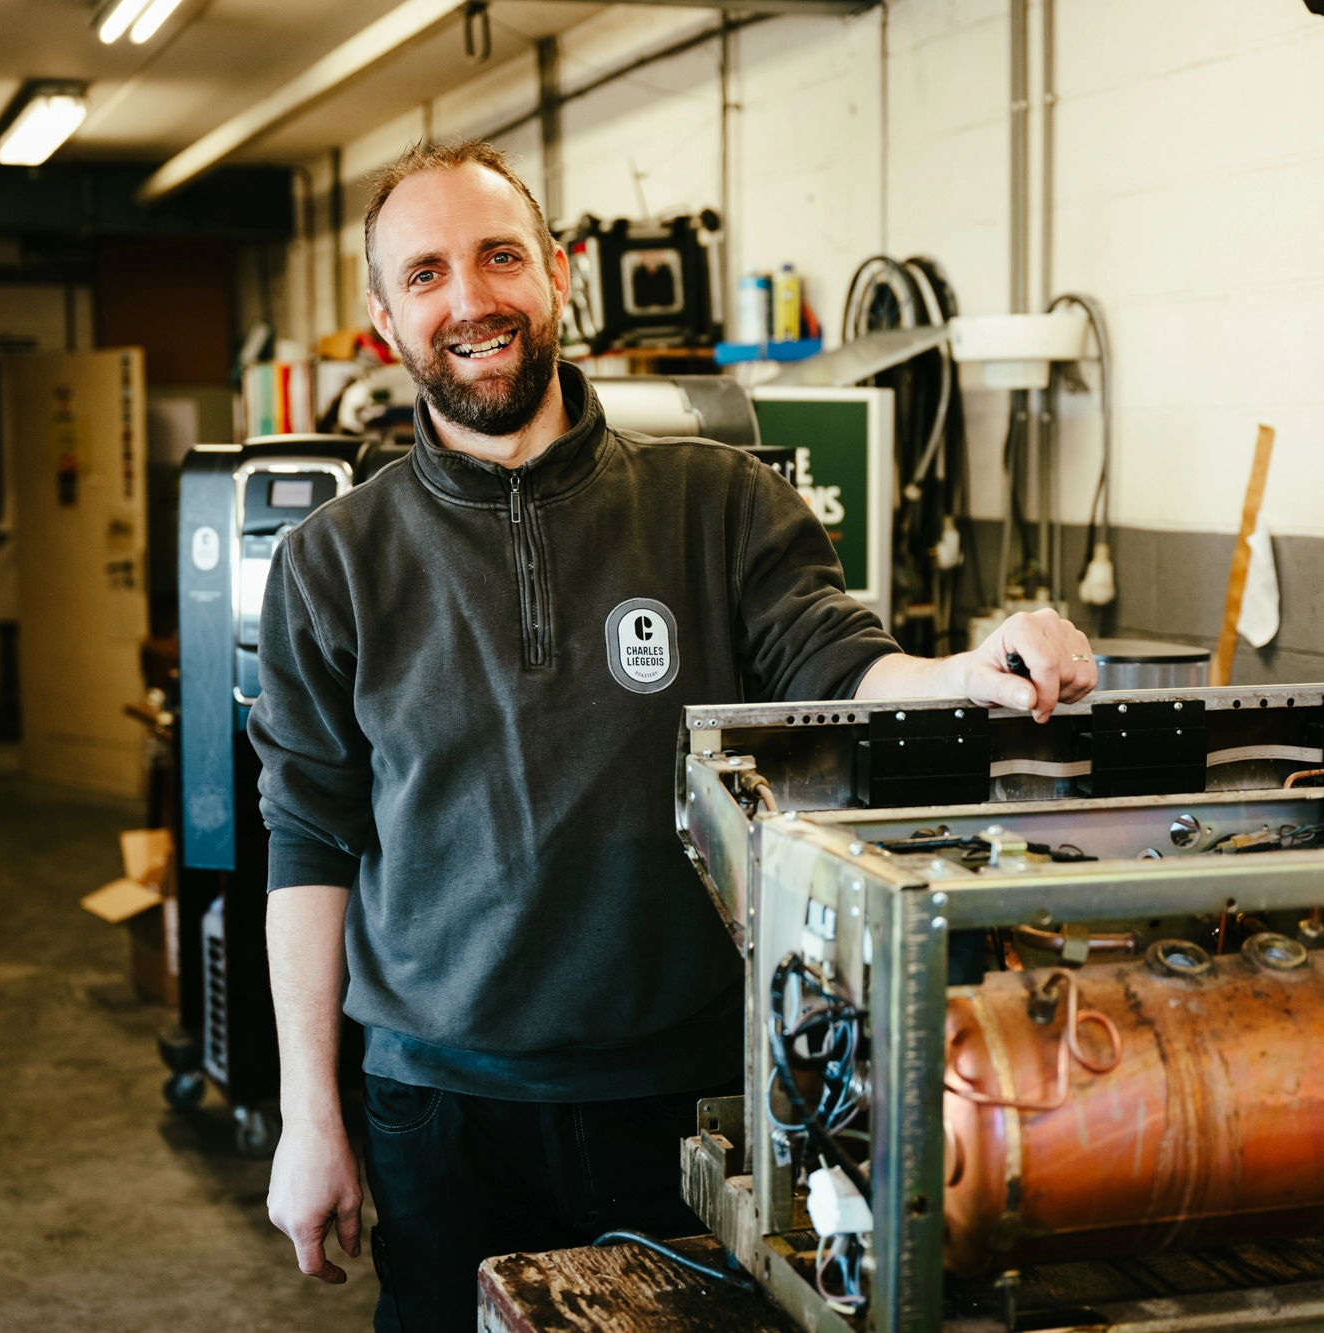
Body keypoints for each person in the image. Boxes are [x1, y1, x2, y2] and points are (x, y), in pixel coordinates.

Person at [252, 140, 1096, 1332]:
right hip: (440, 1113)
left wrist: (972, 666)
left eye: (500, 257)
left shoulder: (721, 501)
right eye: (427, 272)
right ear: (388, 319)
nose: (472, 298)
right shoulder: (332, 564)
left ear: (556, 276)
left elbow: (842, 665)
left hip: (693, 1098)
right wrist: (309, 1116)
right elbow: (309, 845)